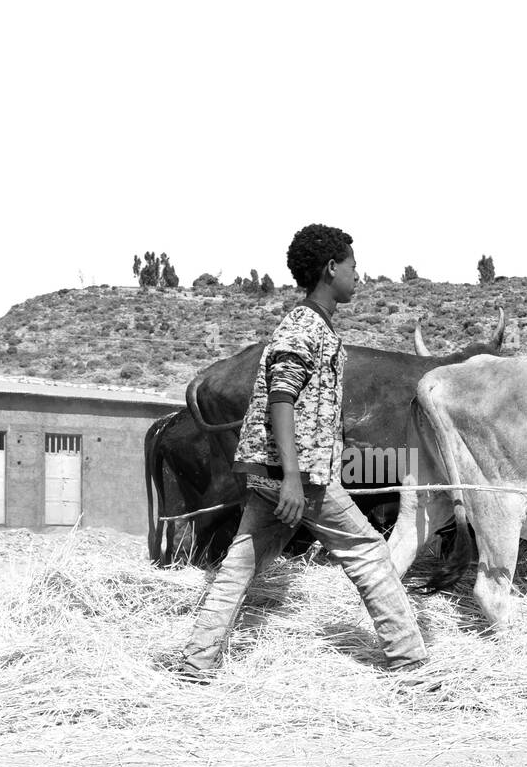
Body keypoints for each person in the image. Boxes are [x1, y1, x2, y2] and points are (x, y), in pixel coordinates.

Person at [176, 224, 430, 681]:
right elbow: (281, 396)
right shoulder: (303, 327)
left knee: (240, 562)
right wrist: (293, 479)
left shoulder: (313, 326)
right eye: (353, 267)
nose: (359, 276)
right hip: (301, 479)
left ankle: (197, 660)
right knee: (369, 552)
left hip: (280, 474)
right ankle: (409, 659)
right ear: (332, 269)